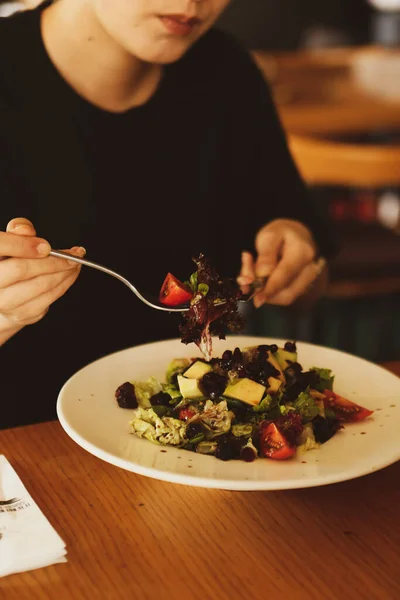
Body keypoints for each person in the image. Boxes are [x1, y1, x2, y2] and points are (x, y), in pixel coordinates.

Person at [0, 0, 336, 430]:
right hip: (28, 448)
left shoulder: (225, 71)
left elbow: (315, 280)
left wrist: (297, 258)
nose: (194, 3)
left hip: (192, 447)